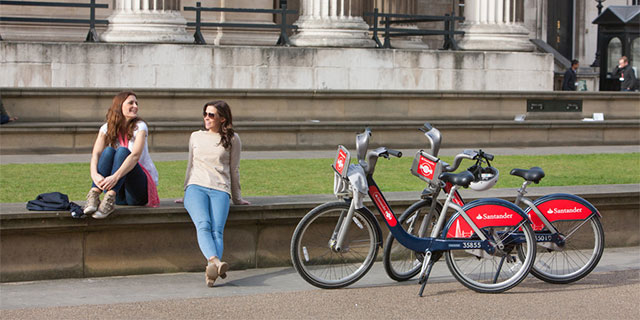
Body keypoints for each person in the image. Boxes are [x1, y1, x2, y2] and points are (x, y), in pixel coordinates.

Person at [183, 100, 250, 287]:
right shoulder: (195, 136)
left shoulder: (233, 139)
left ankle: (211, 273)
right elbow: (190, 165)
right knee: (203, 224)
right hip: (196, 186)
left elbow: (234, 169)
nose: (206, 117)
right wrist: (186, 191)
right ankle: (215, 261)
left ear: (222, 118)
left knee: (217, 231)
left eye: (211, 115)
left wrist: (237, 198)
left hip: (220, 189)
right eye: (205, 114)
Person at [83, 91, 159, 219]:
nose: (135, 106)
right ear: (119, 106)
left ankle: (109, 198)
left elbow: (135, 156)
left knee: (123, 152)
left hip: (137, 193)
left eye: (136, 103)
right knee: (108, 151)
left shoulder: (140, 127)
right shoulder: (106, 128)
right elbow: (96, 154)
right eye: (131, 103)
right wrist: (94, 174)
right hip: (120, 195)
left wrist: (114, 177)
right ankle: (94, 195)